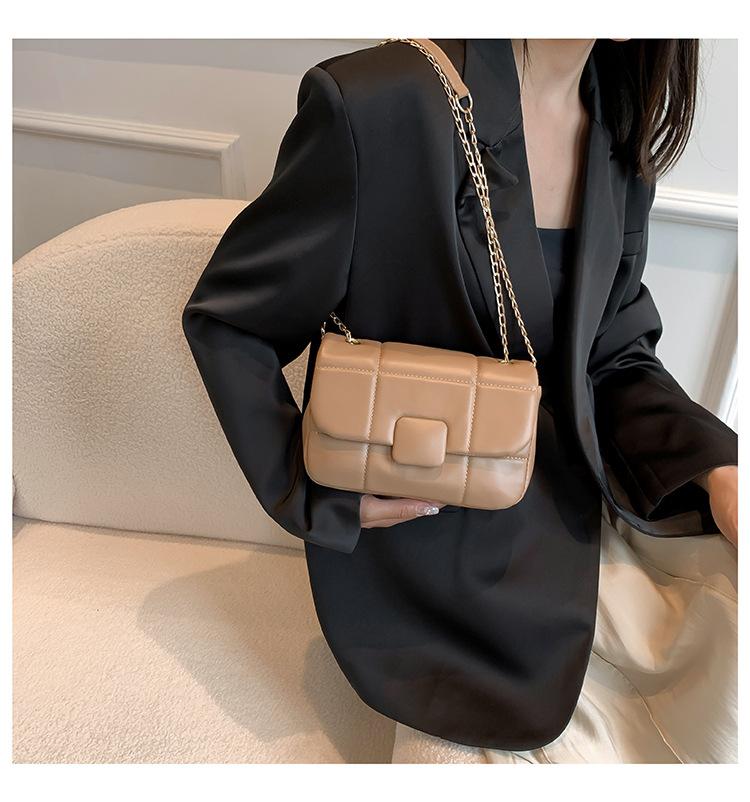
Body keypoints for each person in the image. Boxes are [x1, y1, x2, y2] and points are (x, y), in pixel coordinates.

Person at [181, 38, 738, 752]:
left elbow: (612, 354)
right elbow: (232, 320)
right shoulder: (381, 105)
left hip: (583, 527)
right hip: (439, 575)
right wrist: (308, 488)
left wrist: (720, 470)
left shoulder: (617, 126)